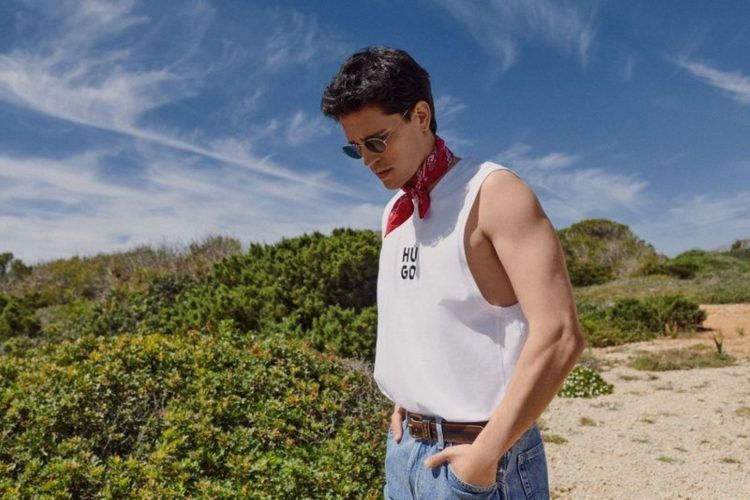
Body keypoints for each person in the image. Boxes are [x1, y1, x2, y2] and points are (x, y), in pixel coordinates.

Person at [321, 46, 585, 499]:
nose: (368, 160)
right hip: (404, 451)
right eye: (355, 148)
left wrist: (485, 456)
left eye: (377, 141)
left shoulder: (494, 192)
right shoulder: (394, 211)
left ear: (421, 116)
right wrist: (409, 399)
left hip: (480, 457)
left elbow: (561, 335)